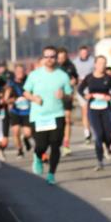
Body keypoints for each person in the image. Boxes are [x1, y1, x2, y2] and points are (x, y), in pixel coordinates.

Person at [23, 46, 74, 185]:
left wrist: (64, 96)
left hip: (57, 115)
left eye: (52, 56)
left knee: (55, 145)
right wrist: (34, 98)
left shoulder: (62, 75)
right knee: (41, 145)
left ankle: (51, 174)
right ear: (43, 58)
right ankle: (38, 156)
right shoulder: (34, 75)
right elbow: (25, 92)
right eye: (47, 56)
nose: (49, 59)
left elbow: (70, 95)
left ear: (56, 58)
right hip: (39, 116)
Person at [77, 55, 111, 171]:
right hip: (93, 109)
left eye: (104, 63)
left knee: (108, 135)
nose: (102, 66)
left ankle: (108, 145)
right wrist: (86, 95)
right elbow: (80, 89)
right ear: (95, 64)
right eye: (100, 63)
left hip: (106, 109)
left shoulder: (108, 78)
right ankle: (100, 161)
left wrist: (110, 96)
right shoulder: (89, 77)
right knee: (98, 135)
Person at [7, 63, 34, 157]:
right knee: (16, 131)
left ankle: (25, 139)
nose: (20, 73)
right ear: (15, 72)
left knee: (28, 133)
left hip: (27, 111)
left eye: (22, 71)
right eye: (18, 71)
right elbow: (6, 99)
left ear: (25, 72)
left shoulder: (29, 81)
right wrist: (12, 100)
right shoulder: (11, 83)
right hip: (16, 111)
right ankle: (19, 150)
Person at [56, 47, 79, 156]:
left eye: (63, 57)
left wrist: (74, 82)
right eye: (59, 57)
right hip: (55, 97)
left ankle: (66, 144)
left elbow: (76, 78)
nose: (61, 59)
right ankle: (57, 140)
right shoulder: (54, 66)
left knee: (67, 120)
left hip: (67, 96)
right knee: (57, 121)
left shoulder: (71, 66)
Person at [73, 45, 96, 143]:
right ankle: (87, 132)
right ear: (79, 53)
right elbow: (73, 75)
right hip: (81, 89)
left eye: (85, 53)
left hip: (91, 89)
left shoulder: (93, 61)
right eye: (82, 53)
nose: (84, 54)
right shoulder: (75, 62)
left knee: (93, 110)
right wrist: (77, 79)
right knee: (85, 110)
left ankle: (94, 130)